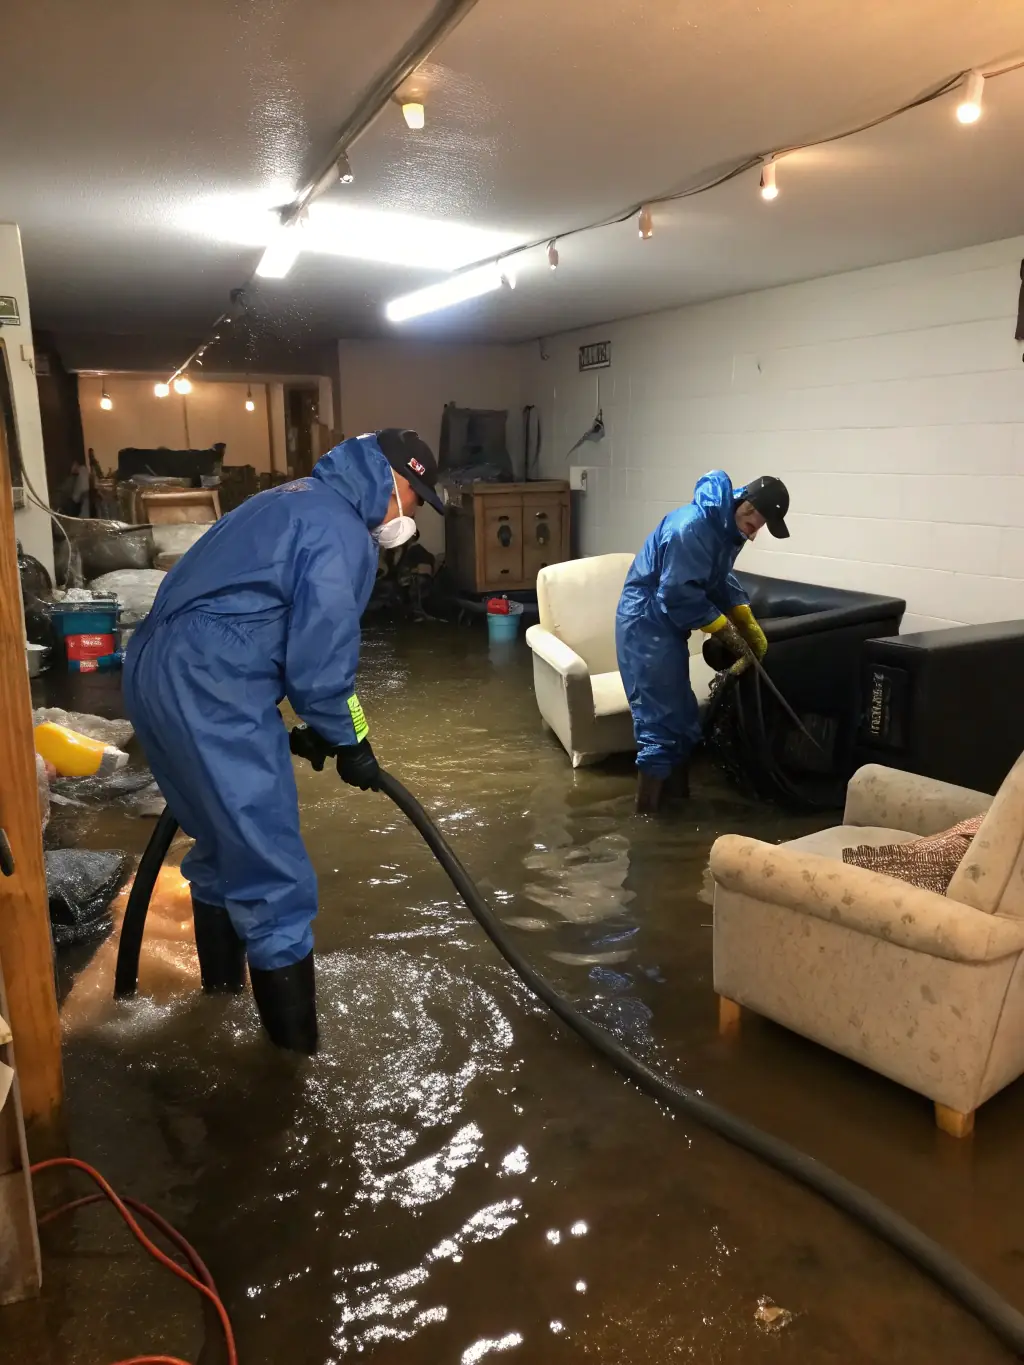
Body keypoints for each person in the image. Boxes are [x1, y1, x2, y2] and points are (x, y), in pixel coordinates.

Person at [122, 429, 445, 1052]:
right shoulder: (341, 533)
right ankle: (291, 1080)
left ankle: (218, 1009)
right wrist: (350, 740)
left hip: (156, 676)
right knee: (274, 880)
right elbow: (321, 667)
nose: (415, 514)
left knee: (220, 849)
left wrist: (306, 730)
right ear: (388, 478)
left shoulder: (288, 499)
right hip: (213, 690)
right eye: (416, 496)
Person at [616, 471, 790, 814]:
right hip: (645, 622)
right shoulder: (692, 527)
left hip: (668, 625)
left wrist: (744, 618)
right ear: (747, 504)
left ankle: (678, 806)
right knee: (659, 725)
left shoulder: (727, 530)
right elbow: (678, 593)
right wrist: (726, 632)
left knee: (682, 722)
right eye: (756, 525)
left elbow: (717, 578)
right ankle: (646, 825)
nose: (754, 535)